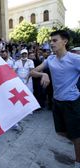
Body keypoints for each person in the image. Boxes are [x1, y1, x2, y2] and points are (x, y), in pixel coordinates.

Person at [30, 30, 80, 168]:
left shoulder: (74, 59)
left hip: (72, 102)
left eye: (55, 40)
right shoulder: (50, 59)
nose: (51, 43)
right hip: (56, 101)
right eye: (50, 41)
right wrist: (43, 75)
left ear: (65, 42)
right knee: (61, 132)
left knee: (75, 135)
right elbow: (32, 72)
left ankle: (78, 162)